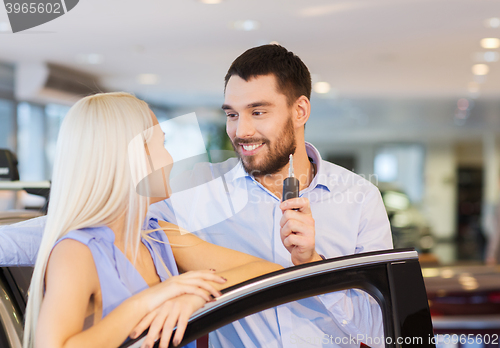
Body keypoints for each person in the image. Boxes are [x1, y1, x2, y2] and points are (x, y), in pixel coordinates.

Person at [1, 45, 392, 347]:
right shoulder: (193, 193)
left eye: (258, 112)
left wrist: (312, 262)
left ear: (300, 110)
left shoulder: (360, 199)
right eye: (232, 114)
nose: (240, 131)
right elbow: (86, 226)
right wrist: (181, 295)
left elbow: (382, 330)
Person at [22, 92, 281, 348]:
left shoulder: (157, 235)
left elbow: (267, 271)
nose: (170, 160)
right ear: (135, 158)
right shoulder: (76, 252)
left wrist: (193, 296)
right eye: (163, 145)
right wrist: (149, 299)